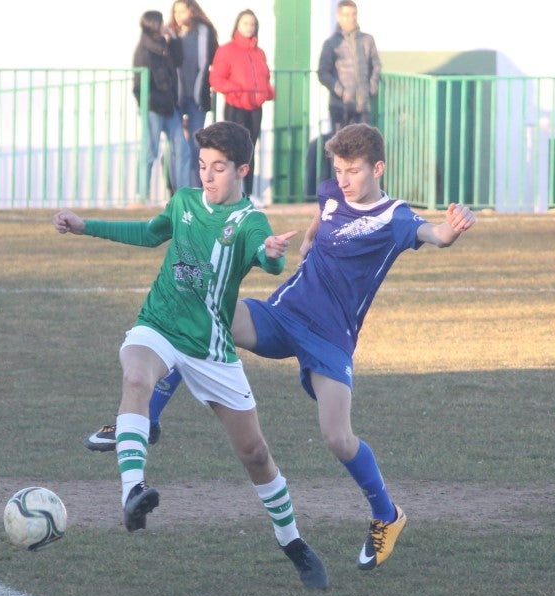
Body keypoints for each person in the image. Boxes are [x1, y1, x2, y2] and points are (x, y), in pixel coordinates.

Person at [86, 123, 476, 572]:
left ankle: (387, 515)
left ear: (378, 168)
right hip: (283, 313)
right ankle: (144, 420)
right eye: (339, 169)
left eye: (353, 171)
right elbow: (321, 218)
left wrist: (454, 225)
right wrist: (307, 243)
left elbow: (437, 235)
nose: (344, 179)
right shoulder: (331, 192)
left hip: (330, 338)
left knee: (336, 437)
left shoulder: (396, 217)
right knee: (204, 314)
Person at [54, 121, 328, 590]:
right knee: (137, 380)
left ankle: (293, 542)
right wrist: (85, 228)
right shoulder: (183, 202)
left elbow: (269, 257)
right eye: (202, 166)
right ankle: (132, 492)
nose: (206, 175)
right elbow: (148, 233)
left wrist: (272, 253)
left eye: (218, 168)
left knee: (256, 454)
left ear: (243, 169)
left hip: (210, 348)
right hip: (158, 324)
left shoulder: (249, 222)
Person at [209, 9, 274, 200]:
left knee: (251, 149)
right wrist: (237, 89)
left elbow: (265, 77)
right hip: (235, 107)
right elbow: (216, 79)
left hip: (255, 108)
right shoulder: (226, 50)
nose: (249, 27)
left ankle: (250, 193)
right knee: (233, 151)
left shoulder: (259, 52)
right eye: (245, 23)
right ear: (238, 25)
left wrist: (267, 92)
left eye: (252, 24)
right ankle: (231, 193)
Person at [133, 9, 189, 200]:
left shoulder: (164, 45)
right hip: (154, 109)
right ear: (154, 24)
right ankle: (142, 193)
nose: (164, 24)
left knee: (183, 149)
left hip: (170, 108)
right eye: (161, 21)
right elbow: (139, 86)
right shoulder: (144, 51)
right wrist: (149, 106)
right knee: (150, 150)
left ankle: (183, 194)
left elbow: (179, 60)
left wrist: (173, 39)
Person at [167, 0, 219, 189]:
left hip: (198, 96)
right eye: (176, 11)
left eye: (183, 10)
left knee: (196, 145)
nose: (180, 15)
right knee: (178, 147)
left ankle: (197, 189)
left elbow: (215, 60)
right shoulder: (170, 34)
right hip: (176, 98)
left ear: (193, 11)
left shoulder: (205, 32)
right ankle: (177, 191)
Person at [317, 0, 383, 133]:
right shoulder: (331, 44)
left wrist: (372, 87)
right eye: (346, 15)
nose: (351, 18)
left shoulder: (367, 40)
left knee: (363, 149)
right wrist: (340, 91)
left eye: (353, 14)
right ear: (339, 16)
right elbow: (323, 73)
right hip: (340, 107)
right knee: (342, 149)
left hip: (363, 106)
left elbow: (376, 65)